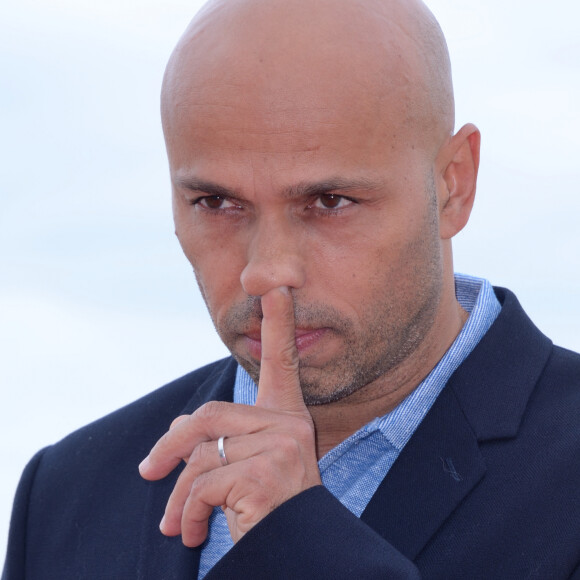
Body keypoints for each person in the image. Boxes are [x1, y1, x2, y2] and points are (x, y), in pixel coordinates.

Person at [3, 0, 580, 577]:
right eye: (216, 203)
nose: (267, 270)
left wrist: (299, 541)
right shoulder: (66, 497)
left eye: (330, 203)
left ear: (454, 185)